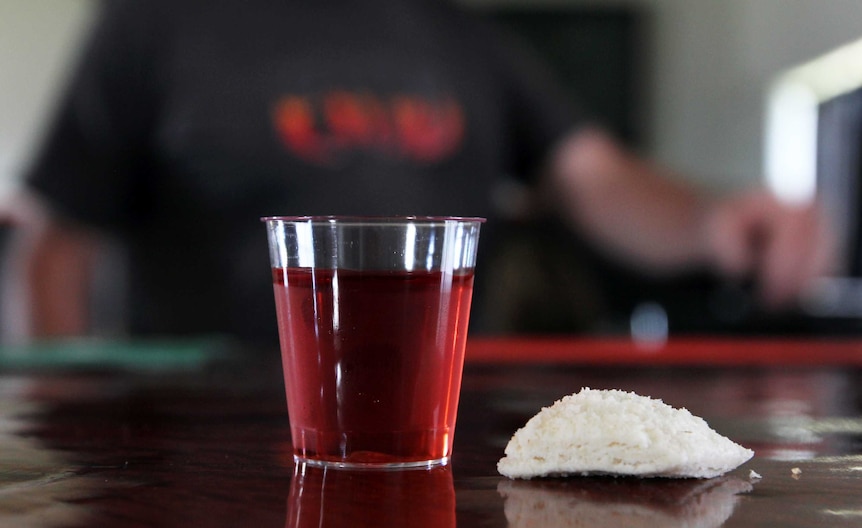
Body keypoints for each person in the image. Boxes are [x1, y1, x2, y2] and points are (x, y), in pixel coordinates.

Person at [15, 0, 833, 344]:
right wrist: (75, 441)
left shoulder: (459, 32)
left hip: (436, 444)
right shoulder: (152, 22)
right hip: (204, 460)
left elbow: (596, 177)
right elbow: (57, 244)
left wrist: (714, 221)